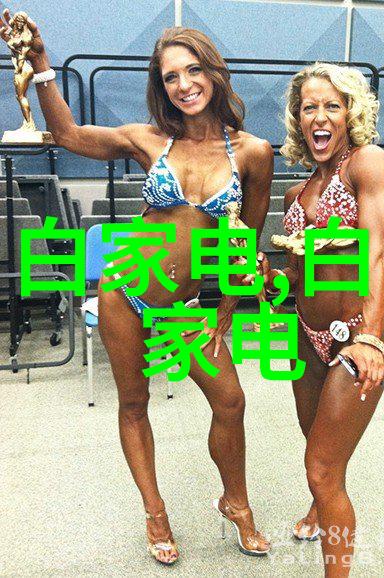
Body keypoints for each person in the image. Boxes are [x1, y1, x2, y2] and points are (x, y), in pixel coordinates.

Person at [0, 10, 274, 565]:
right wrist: (42, 66)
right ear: (161, 86)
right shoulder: (150, 140)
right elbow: (70, 135)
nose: (184, 84)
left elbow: (246, 240)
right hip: (124, 291)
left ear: (214, 73)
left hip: (185, 308)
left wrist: (226, 309)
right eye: (171, 76)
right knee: (133, 403)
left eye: (193, 70)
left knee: (230, 400)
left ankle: (236, 503)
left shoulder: (253, 152)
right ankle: (155, 512)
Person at [261, 62, 384, 577]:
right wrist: (270, 280)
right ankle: (320, 507)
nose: (319, 116)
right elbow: (297, 280)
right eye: (308, 108)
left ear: (350, 114)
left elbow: (378, 253)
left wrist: (370, 337)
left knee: (320, 469)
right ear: (298, 119)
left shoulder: (368, 164)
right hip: (306, 337)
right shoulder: (295, 195)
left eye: (331, 106)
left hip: (355, 337)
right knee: (314, 442)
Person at [5, 11, 36, 130]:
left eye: (22, 21)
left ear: (25, 23)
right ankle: (28, 122)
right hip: (21, 67)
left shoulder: (26, 37)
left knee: (21, 96)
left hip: (23, 68)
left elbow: (22, 55)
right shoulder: (16, 32)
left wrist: (18, 69)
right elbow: (9, 25)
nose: (19, 23)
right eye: (17, 20)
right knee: (20, 96)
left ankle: (29, 124)